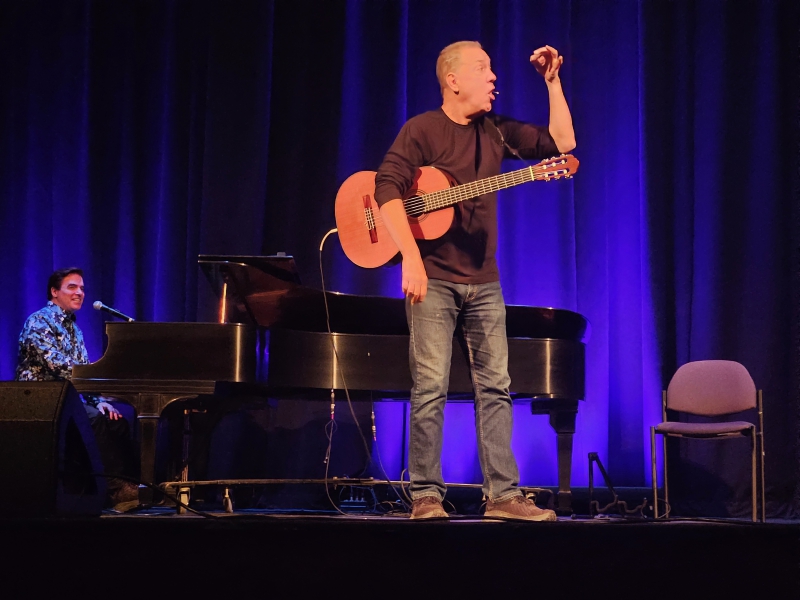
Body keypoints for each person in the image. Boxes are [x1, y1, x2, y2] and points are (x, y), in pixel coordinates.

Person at [374, 41, 576, 520]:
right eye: (482, 68)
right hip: (433, 279)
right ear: (453, 80)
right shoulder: (421, 130)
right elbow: (386, 191)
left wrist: (552, 82)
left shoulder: (497, 132)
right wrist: (411, 259)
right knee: (429, 387)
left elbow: (563, 144)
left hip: (485, 280)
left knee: (497, 388)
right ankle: (425, 496)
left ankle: (503, 496)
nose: (493, 77)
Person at [16, 267, 140, 512]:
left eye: (82, 288)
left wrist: (98, 400)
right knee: (92, 419)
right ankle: (113, 489)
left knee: (116, 420)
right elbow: (60, 367)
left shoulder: (75, 329)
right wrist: (92, 401)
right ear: (54, 292)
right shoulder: (39, 321)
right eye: (72, 287)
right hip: (42, 401)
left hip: (69, 399)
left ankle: (133, 485)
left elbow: (82, 371)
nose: (80, 293)